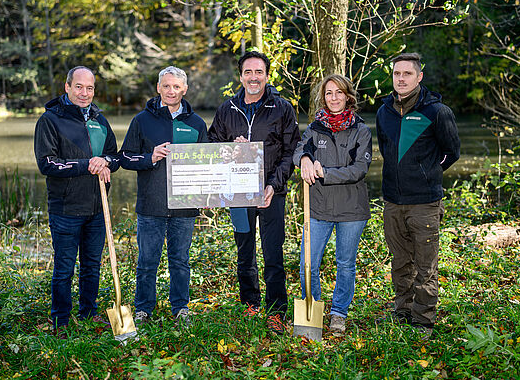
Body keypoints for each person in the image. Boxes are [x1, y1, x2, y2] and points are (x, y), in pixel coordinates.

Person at [208, 51, 300, 333]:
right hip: (238, 195)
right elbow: (212, 144)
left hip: (271, 193)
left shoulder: (282, 108)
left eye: (259, 72)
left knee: (273, 252)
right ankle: (250, 303)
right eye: (248, 72)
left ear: (267, 76)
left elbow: (291, 152)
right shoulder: (227, 109)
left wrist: (273, 184)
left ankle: (276, 311)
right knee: (244, 250)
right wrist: (227, 149)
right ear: (240, 77)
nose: (253, 78)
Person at [375, 53, 460, 337]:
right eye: (397, 74)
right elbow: (387, 151)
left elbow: (452, 153)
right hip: (392, 201)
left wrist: (428, 174)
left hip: (424, 202)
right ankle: (403, 309)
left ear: (419, 77)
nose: (401, 79)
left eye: (407, 74)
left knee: (425, 264)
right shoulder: (384, 111)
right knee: (400, 261)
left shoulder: (437, 112)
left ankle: (423, 319)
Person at [34, 66, 120, 337]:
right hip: (66, 209)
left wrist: (105, 162)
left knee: (92, 266)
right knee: (64, 268)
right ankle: (61, 321)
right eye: (79, 87)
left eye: (90, 88)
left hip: (97, 208)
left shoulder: (99, 120)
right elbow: (47, 164)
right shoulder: (50, 120)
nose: (85, 93)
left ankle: (89, 314)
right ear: (67, 87)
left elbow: (114, 157)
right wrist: (88, 165)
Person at [119, 66, 208, 327]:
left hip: (185, 208)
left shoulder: (196, 124)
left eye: (176, 87)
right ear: (158, 88)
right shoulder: (142, 121)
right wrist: (150, 157)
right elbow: (125, 157)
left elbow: (207, 164)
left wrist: (205, 193)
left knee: (180, 262)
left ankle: (180, 308)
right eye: (166, 86)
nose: (171, 91)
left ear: (185, 90)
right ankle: (143, 309)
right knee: (147, 262)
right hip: (151, 206)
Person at [293, 74, 372, 334]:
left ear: (348, 96)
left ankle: (339, 313)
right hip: (319, 209)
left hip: (352, 210)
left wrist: (325, 172)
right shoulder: (316, 128)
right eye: (329, 93)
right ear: (323, 97)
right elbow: (298, 149)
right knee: (308, 264)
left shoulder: (360, 129)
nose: (334, 97)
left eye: (339, 92)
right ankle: (313, 308)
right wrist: (304, 158)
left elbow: (359, 169)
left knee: (345, 263)